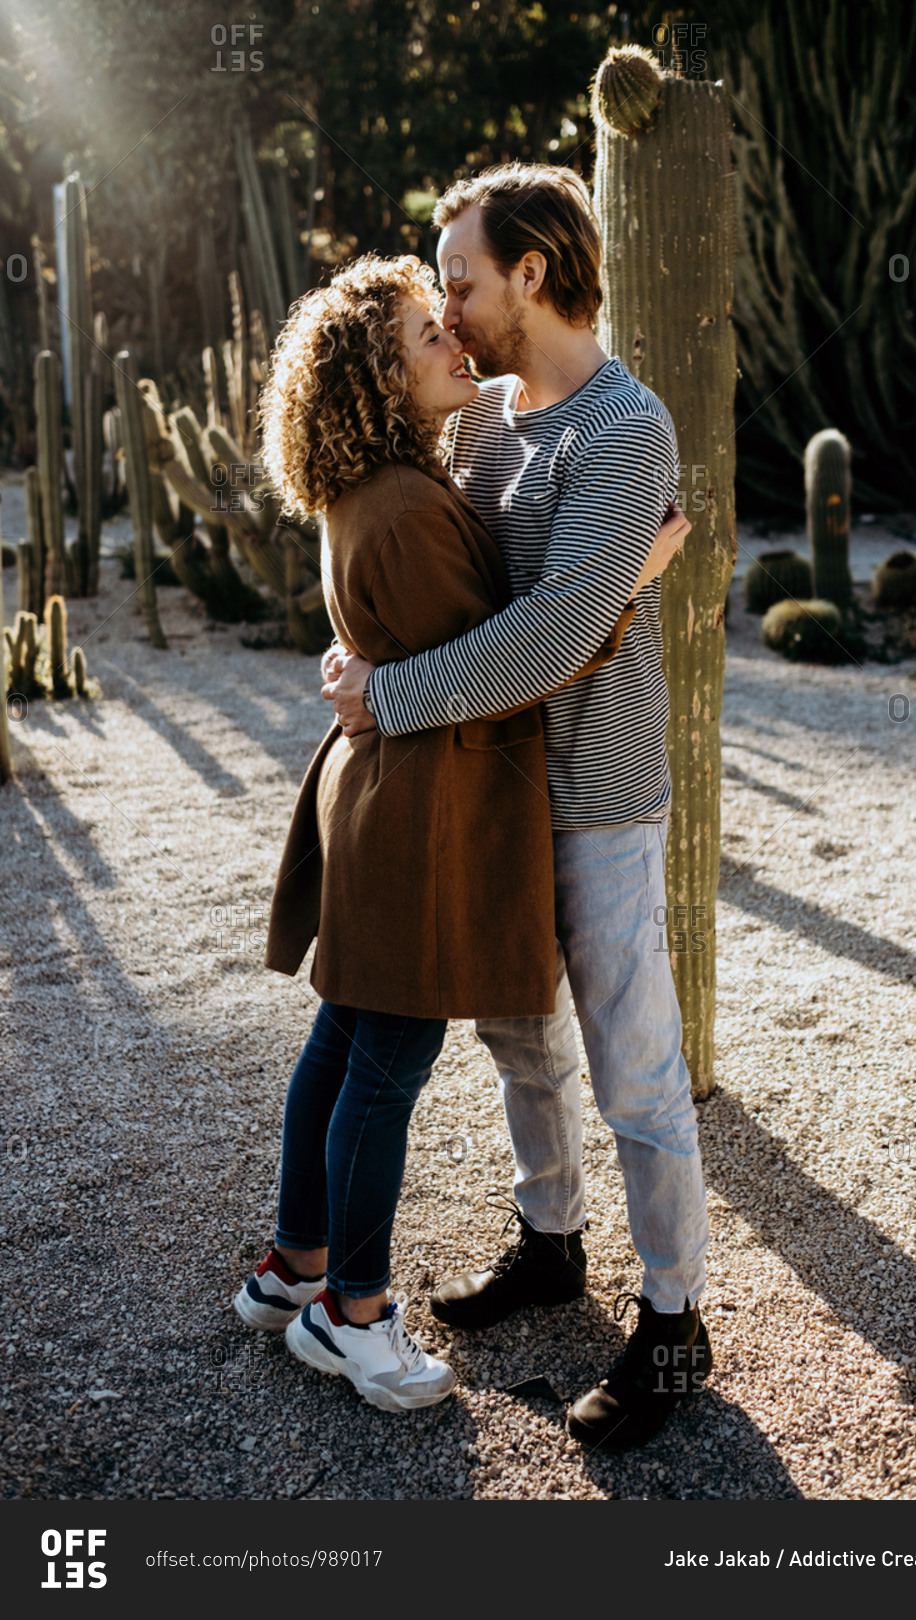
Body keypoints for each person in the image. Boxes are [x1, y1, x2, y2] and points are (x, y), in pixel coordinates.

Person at [232, 251, 687, 1416]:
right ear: (380, 378)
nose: (454, 344)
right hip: (424, 817)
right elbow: (508, 664)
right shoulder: (406, 507)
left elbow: (445, 645)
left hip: (402, 804)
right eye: (427, 332)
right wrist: (628, 573)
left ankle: (296, 1265)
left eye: (453, 311)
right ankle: (354, 1312)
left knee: (342, 1045)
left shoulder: (398, 476)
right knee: (384, 1064)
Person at [325, 163, 713, 1450]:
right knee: (515, 1037)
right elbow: (424, 564)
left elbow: (548, 634)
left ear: (532, 275)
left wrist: (390, 696)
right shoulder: (481, 417)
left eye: (463, 282)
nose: (451, 308)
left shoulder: (626, 426)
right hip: (485, 797)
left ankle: (671, 1323)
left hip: (595, 788)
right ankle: (549, 1240)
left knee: (631, 1058)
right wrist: (358, 662)